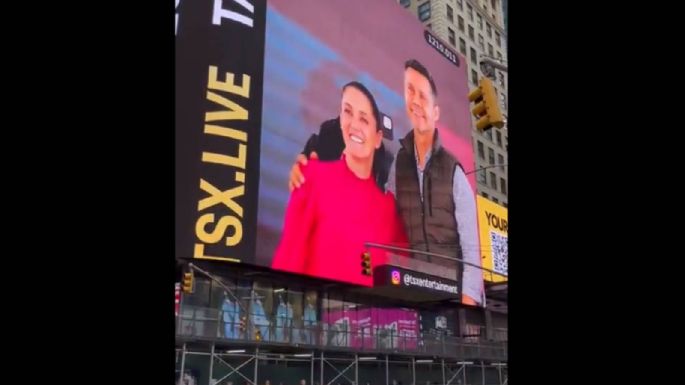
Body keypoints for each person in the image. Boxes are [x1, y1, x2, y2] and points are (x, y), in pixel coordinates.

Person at [289, 60, 483, 305]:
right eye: (410, 91)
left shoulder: (453, 170)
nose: (415, 101)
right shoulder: (396, 164)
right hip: (415, 297)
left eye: (423, 95)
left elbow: (472, 248)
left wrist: (468, 303)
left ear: (436, 112)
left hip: (453, 299)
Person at [272, 81, 407, 287]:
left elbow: (404, 275)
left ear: (378, 137)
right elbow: (289, 259)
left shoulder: (389, 207)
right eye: (347, 112)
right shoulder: (313, 175)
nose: (354, 124)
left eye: (364, 119)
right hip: (314, 313)